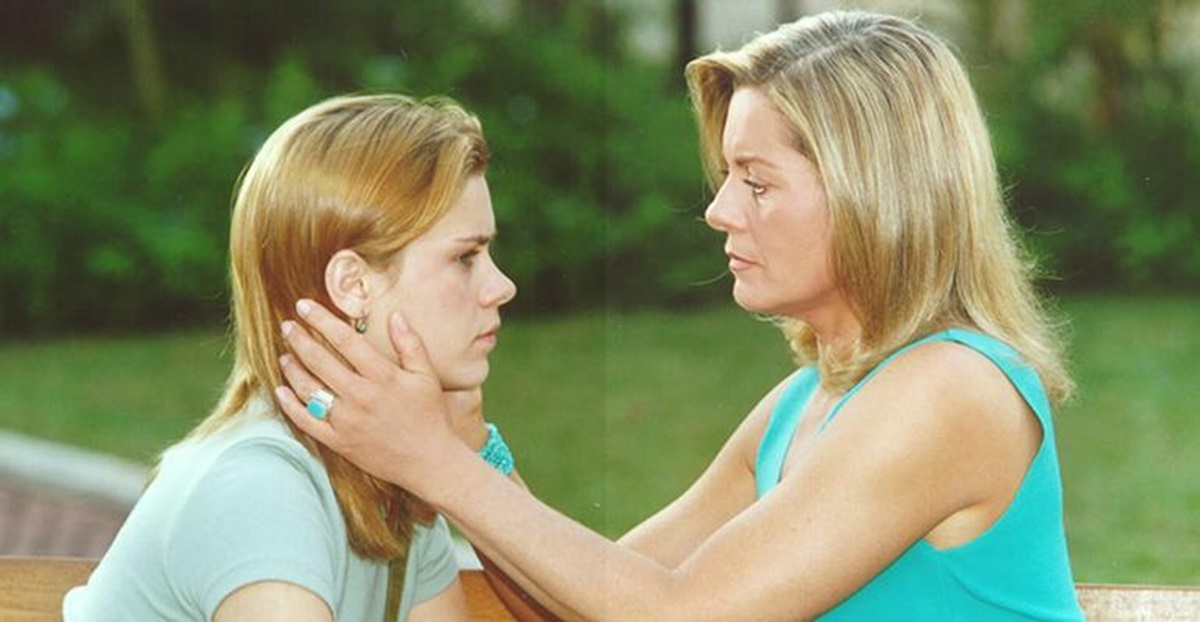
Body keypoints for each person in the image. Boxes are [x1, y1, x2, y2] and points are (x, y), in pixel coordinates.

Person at [277, 11, 1085, 621]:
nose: (720, 210)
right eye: (727, 176)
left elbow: (679, 613)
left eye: (757, 182)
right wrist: (464, 439)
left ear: (877, 197)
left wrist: (428, 462)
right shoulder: (804, 405)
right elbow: (593, 601)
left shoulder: (953, 388)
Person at [63, 93, 521, 621]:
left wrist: (468, 446)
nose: (501, 286)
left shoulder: (386, 487)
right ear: (352, 284)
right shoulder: (259, 489)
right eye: (465, 257)